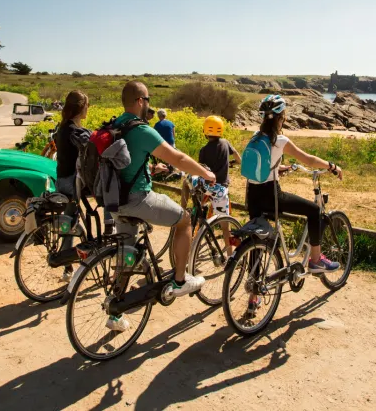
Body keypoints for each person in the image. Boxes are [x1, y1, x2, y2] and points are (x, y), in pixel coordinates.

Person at [108, 81, 216, 331]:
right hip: (138, 199)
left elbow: (126, 162)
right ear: (138, 101)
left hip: (115, 201)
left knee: (127, 254)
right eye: (147, 99)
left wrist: (150, 169)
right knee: (185, 220)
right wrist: (205, 173)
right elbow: (177, 157)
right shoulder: (142, 130)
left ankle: (114, 314)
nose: (149, 103)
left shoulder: (116, 125)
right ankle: (180, 280)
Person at [245, 95, 343, 275]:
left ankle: (254, 292)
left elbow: (262, 164)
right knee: (314, 210)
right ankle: (316, 260)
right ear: (281, 118)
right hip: (271, 196)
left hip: (252, 196)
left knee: (256, 239)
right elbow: (309, 160)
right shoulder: (280, 140)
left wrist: (279, 168)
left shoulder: (255, 137)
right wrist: (331, 166)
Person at [54, 91, 92, 282]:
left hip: (61, 180)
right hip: (71, 182)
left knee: (68, 221)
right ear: (80, 108)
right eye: (87, 105)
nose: (88, 109)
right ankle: (103, 241)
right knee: (109, 192)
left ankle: (67, 266)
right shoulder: (74, 132)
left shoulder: (63, 128)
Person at [198, 115, 241, 255]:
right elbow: (237, 157)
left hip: (207, 188)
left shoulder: (203, 151)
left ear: (205, 131)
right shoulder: (225, 143)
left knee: (200, 215)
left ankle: (196, 243)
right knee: (225, 225)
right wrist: (235, 162)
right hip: (221, 189)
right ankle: (230, 255)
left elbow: (202, 169)